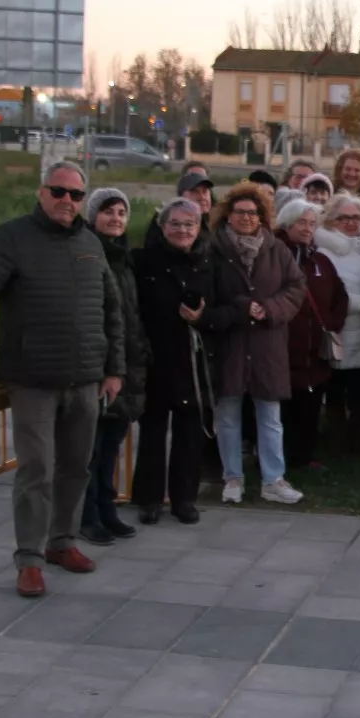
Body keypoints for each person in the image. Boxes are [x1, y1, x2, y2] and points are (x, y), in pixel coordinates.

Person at [0, 161, 123, 598]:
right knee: (36, 469)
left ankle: (62, 542)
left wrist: (114, 369)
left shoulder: (90, 242)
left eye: (75, 194)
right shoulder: (12, 238)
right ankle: (29, 559)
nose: (67, 200)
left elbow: (111, 310)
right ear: (41, 192)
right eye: (59, 191)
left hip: (85, 379)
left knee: (76, 467)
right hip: (33, 379)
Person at [202, 183, 308, 505]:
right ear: (228, 215)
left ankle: (273, 479)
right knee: (228, 414)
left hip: (267, 344)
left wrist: (270, 309)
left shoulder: (277, 249)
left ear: (262, 216)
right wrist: (241, 307)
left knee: (270, 416)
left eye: (253, 213)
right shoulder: (213, 250)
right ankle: (232, 478)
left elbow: (296, 287)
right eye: (240, 212)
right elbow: (208, 300)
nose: (247, 218)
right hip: (230, 343)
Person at [131, 197, 214, 525]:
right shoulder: (143, 261)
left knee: (189, 433)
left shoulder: (208, 261)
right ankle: (149, 499)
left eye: (189, 224)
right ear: (162, 226)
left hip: (192, 359)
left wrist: (202, 317)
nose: (183, 230)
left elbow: (225, 307)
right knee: (152, 431)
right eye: (175, 224)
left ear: (199, 228)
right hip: (155, 356)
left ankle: (184, 499)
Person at [79, 188, 150, 547]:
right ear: (93, 216)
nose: (116, 219)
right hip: (98, 367)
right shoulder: (87, 254)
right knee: (89, 449)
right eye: (108, 211)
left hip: (125, 366)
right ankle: (86, 515)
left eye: (122, 212)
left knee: (110, 447)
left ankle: (107, 509)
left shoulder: (124, 258)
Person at [275, 199, 347, 472]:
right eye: (301, 222)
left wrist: (331, 324)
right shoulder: (274, 256)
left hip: (315, 352)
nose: (307, 228)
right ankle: (277, 460)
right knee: (282, 410)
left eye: (312, 223)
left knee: (311, 406)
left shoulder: (320, 260)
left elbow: (340, 296)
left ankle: (304, 457)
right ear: (287, 224)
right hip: (283, 349)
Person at [317, 193, 360, 455]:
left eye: (357, 217)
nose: (352, 223)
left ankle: (357, 436)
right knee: (336, 388)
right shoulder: (323, 252)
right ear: (332, 220)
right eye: (345, 218)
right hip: (340, 329)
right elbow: (325, 292)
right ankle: (338, 439)